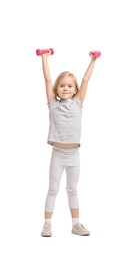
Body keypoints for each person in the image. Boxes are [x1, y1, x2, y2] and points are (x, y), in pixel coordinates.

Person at [38, 49, 100, 237]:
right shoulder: (52, 104)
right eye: (62, 86)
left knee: (72, 189)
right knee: (53, 188)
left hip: (74, 155)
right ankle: (47, 224)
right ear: (57, 89)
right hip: (57, 154)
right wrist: (44, 58)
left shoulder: (78, 103)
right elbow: (47, 80)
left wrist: (93, 61)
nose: (66, 88)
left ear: (75, 90)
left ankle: (76, 224)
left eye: (70, 86)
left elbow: (86, 80)